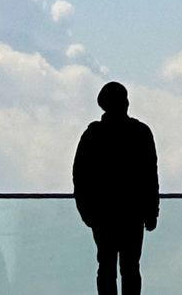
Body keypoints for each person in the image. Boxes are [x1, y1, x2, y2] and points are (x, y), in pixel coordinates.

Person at [71, 80, 159, 295]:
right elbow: (150, 175)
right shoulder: (140, 133)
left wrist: (86, 211)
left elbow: (80, 177)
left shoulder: (93, 135)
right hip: (131, 212)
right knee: (130, 267)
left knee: (107, 266)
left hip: (103, 213)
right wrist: (151, 212)